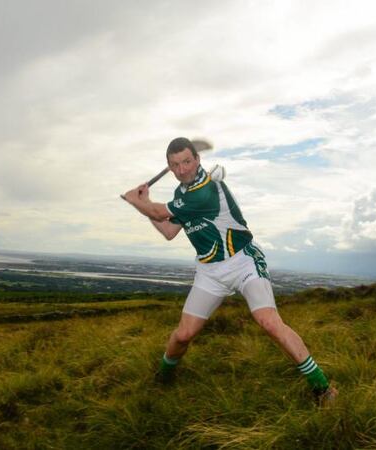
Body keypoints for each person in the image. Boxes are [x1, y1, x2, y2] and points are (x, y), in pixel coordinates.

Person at [123, 137, 337, 405]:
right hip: (209, 271)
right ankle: (163, 380)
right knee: (183, 335)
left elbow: (157, 212)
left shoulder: (206, 189)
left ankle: (322, 388)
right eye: (175, 165)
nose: (182, 170)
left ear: (197, 160)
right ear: (169, 167)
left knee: (268, 322)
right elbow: (167, 230)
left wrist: (137, 202)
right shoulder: (182, 196)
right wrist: (146, 205)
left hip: (243, 261)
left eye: (187, 161)